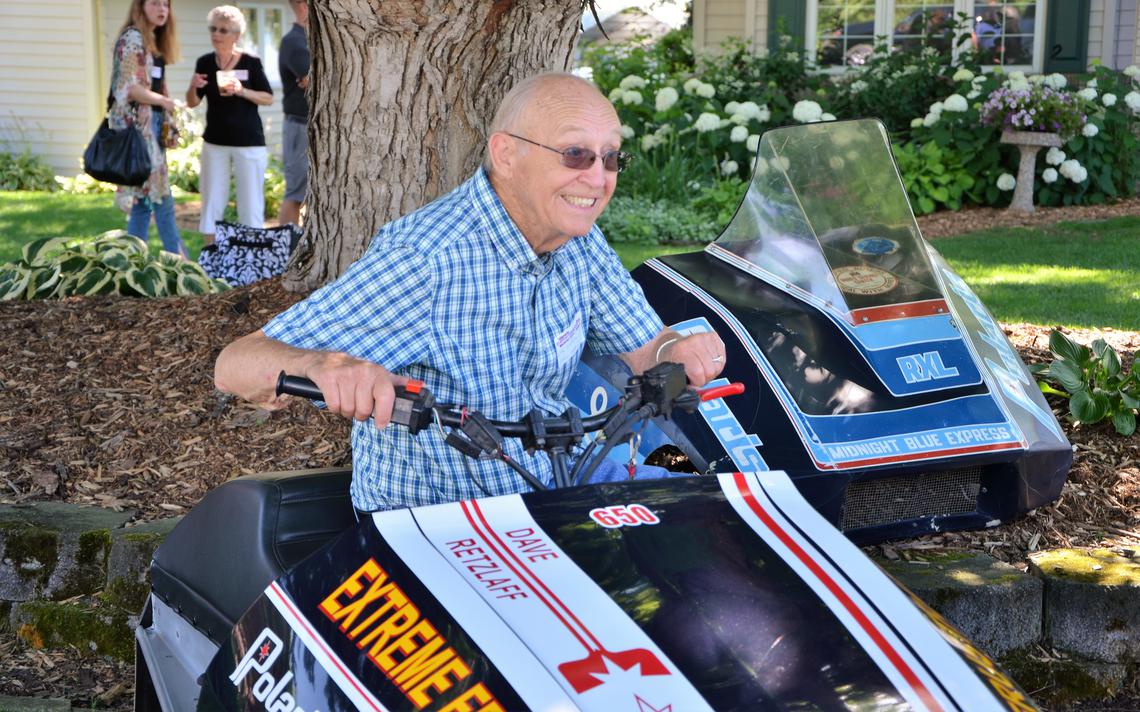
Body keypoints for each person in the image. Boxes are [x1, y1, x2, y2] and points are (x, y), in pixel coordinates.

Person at [215, 73, 726, 512]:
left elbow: (644, 347)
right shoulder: (427, 260)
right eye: (575, 154)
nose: (596, 178)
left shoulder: (579, 240)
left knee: (699, 521)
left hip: (548, 493)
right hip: (433, 527)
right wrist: (324, 367)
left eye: (611, 158)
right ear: (506, 154)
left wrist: (672, 350)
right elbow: (236, 363)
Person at [185, 5, 273, 245]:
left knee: (250, 202)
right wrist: (193, 85)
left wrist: (242, 91)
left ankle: (252, 259)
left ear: (236, 35)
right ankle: (210, 257)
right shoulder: (205, 62)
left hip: (249, 142)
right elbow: (192, 103)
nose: (216, 34)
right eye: (213, 28)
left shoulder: (251, 63)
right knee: (212, 200)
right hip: (215, 142)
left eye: (223, 30)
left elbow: (268, 97)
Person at [110, 0, 188, 258]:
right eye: (155, 3)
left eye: (166, 4)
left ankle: (132, 263)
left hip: (151, 126)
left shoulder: (152, 41)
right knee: (161, 198)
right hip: (137, 130)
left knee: (143, 201)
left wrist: (169, 121)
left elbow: (155, 87)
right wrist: (164, 101)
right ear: (140, 7)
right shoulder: (132, 38)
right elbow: (129, 89)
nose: (162, 9)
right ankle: (180, 263)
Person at [277, 0, 310, 227]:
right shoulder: (294, 42)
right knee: (296, 193)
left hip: (310, 125)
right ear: (302, 5)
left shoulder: (309, 40)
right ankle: (284, 252)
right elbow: (311, 79)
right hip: (299, 126)